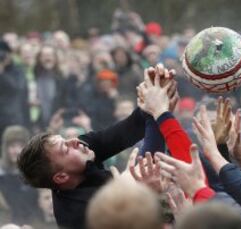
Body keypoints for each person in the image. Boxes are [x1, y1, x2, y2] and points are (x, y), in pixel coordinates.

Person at [17, 64, 177, 229]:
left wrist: (155, 95)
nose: (73, 141)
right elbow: (147, 171)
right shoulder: (79, 214)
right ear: (62, 177)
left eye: (65, 139)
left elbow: (127, 130)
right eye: (65, 149)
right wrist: (144, 195)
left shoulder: (80, 150)